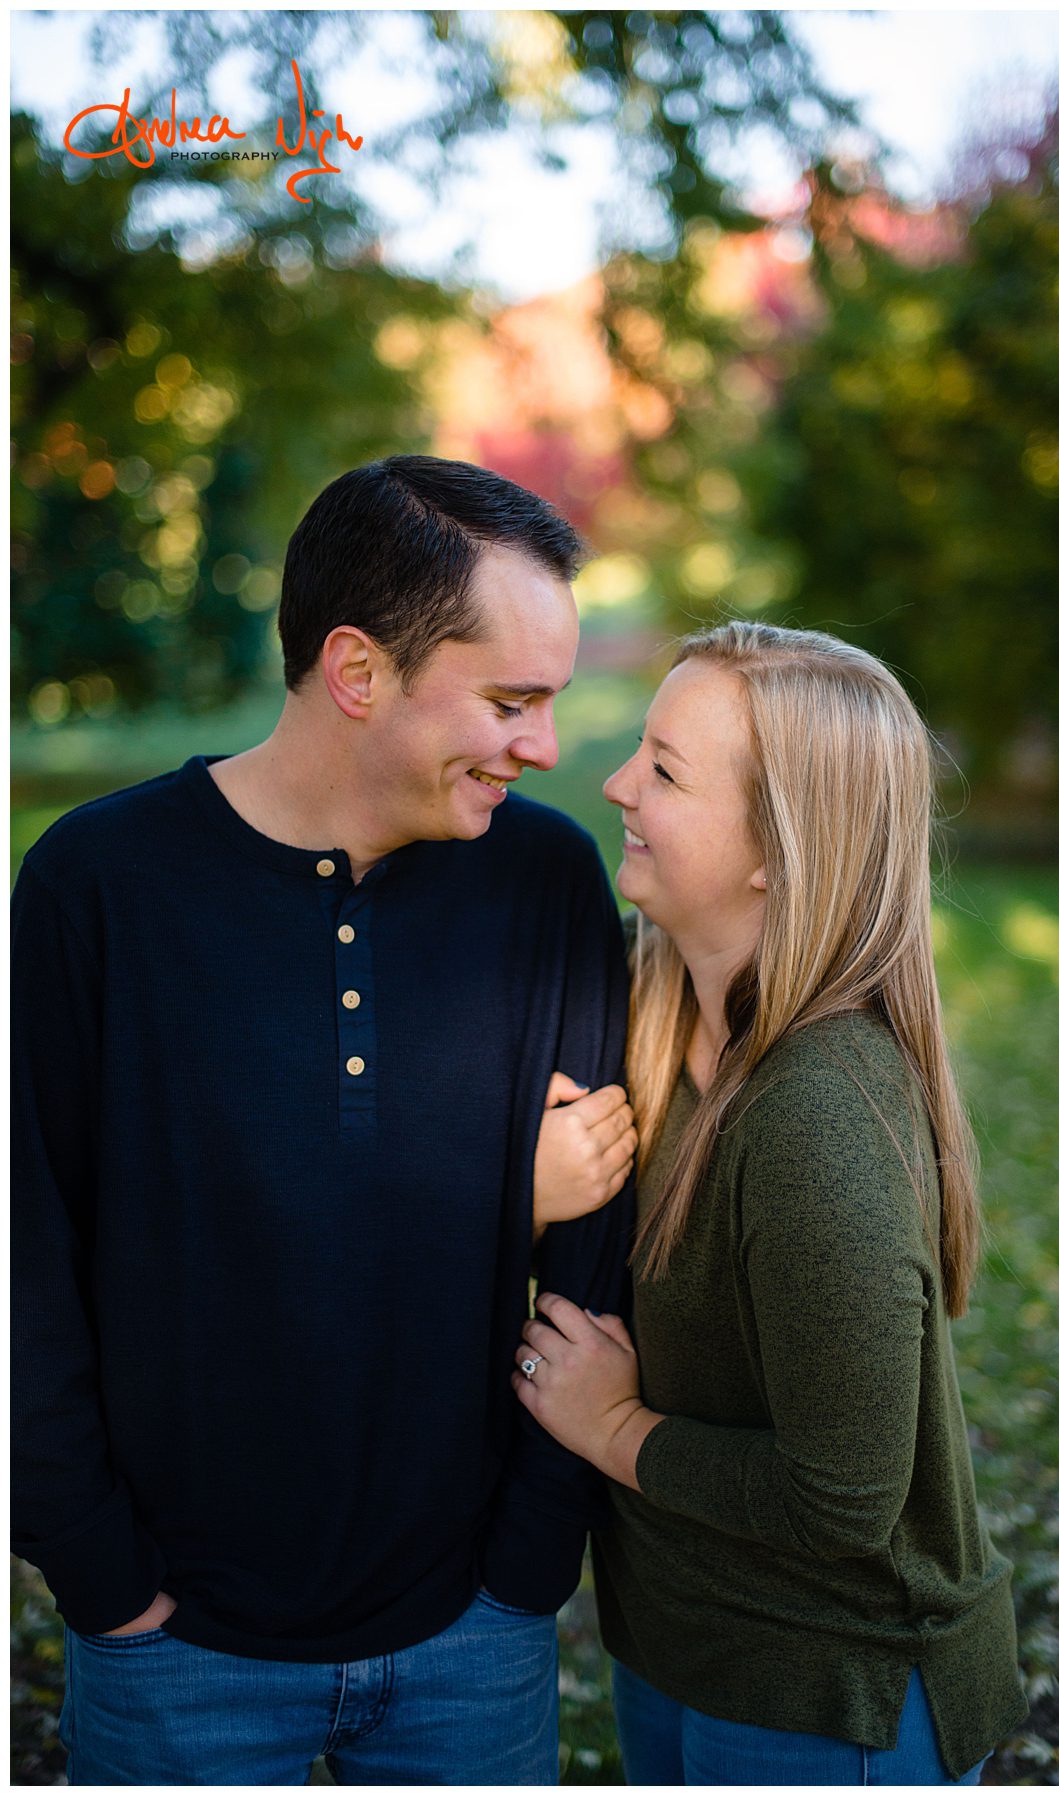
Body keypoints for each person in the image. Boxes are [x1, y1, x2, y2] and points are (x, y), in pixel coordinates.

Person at [12, 455, 638, 1782]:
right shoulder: (95, 888)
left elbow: (598, 1262)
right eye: (512, 701)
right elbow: (26, 1263)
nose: (544, 746)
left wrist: (527, 1570)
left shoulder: (547, 883)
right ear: (358, 673)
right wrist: (102, 1579)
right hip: (171, 1655)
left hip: (472, 1644)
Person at [510, 623, 1027, 1784]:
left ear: (774, 850)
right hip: (680, 1646)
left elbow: (842, 1498)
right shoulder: (645, 1007)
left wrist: (611, 1427)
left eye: (666, 770)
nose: (616, 782)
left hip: (832, 1692)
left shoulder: (817, 1117)